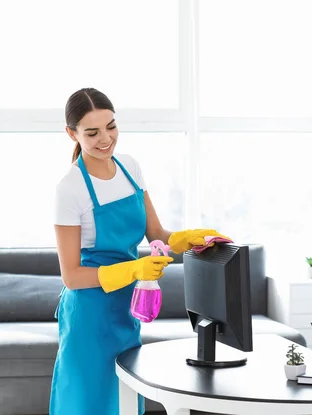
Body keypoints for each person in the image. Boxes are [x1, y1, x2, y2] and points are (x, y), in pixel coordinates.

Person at [49, 87, 229, 415]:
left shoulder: (130, 167)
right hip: (89, 315)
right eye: (92, 132)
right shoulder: (70, 189)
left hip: (128, 306)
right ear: (71, 133)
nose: (105, 139)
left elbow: (156, 233)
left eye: (111, 126)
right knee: (89, 403)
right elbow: (71, 277)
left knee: (126, 402)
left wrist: (189, 238)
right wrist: (134, 269)